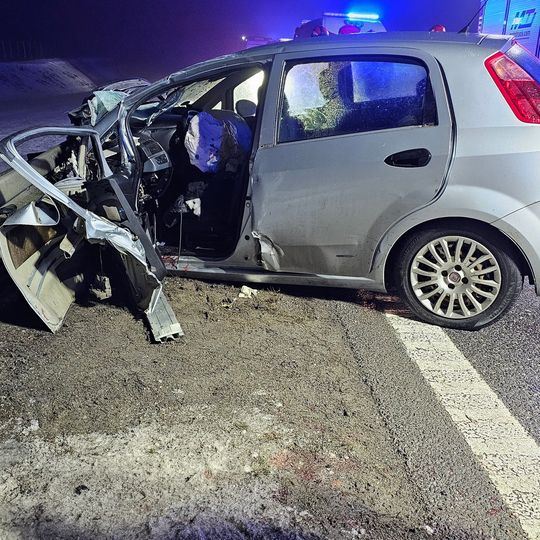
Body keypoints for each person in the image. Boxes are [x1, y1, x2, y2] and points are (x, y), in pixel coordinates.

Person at [298, 65, 349, 135]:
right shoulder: (324, 109)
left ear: (335, 84)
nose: (322, 89)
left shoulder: (339, 108)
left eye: (326, 84)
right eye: (321, 85)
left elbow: (325, 133)